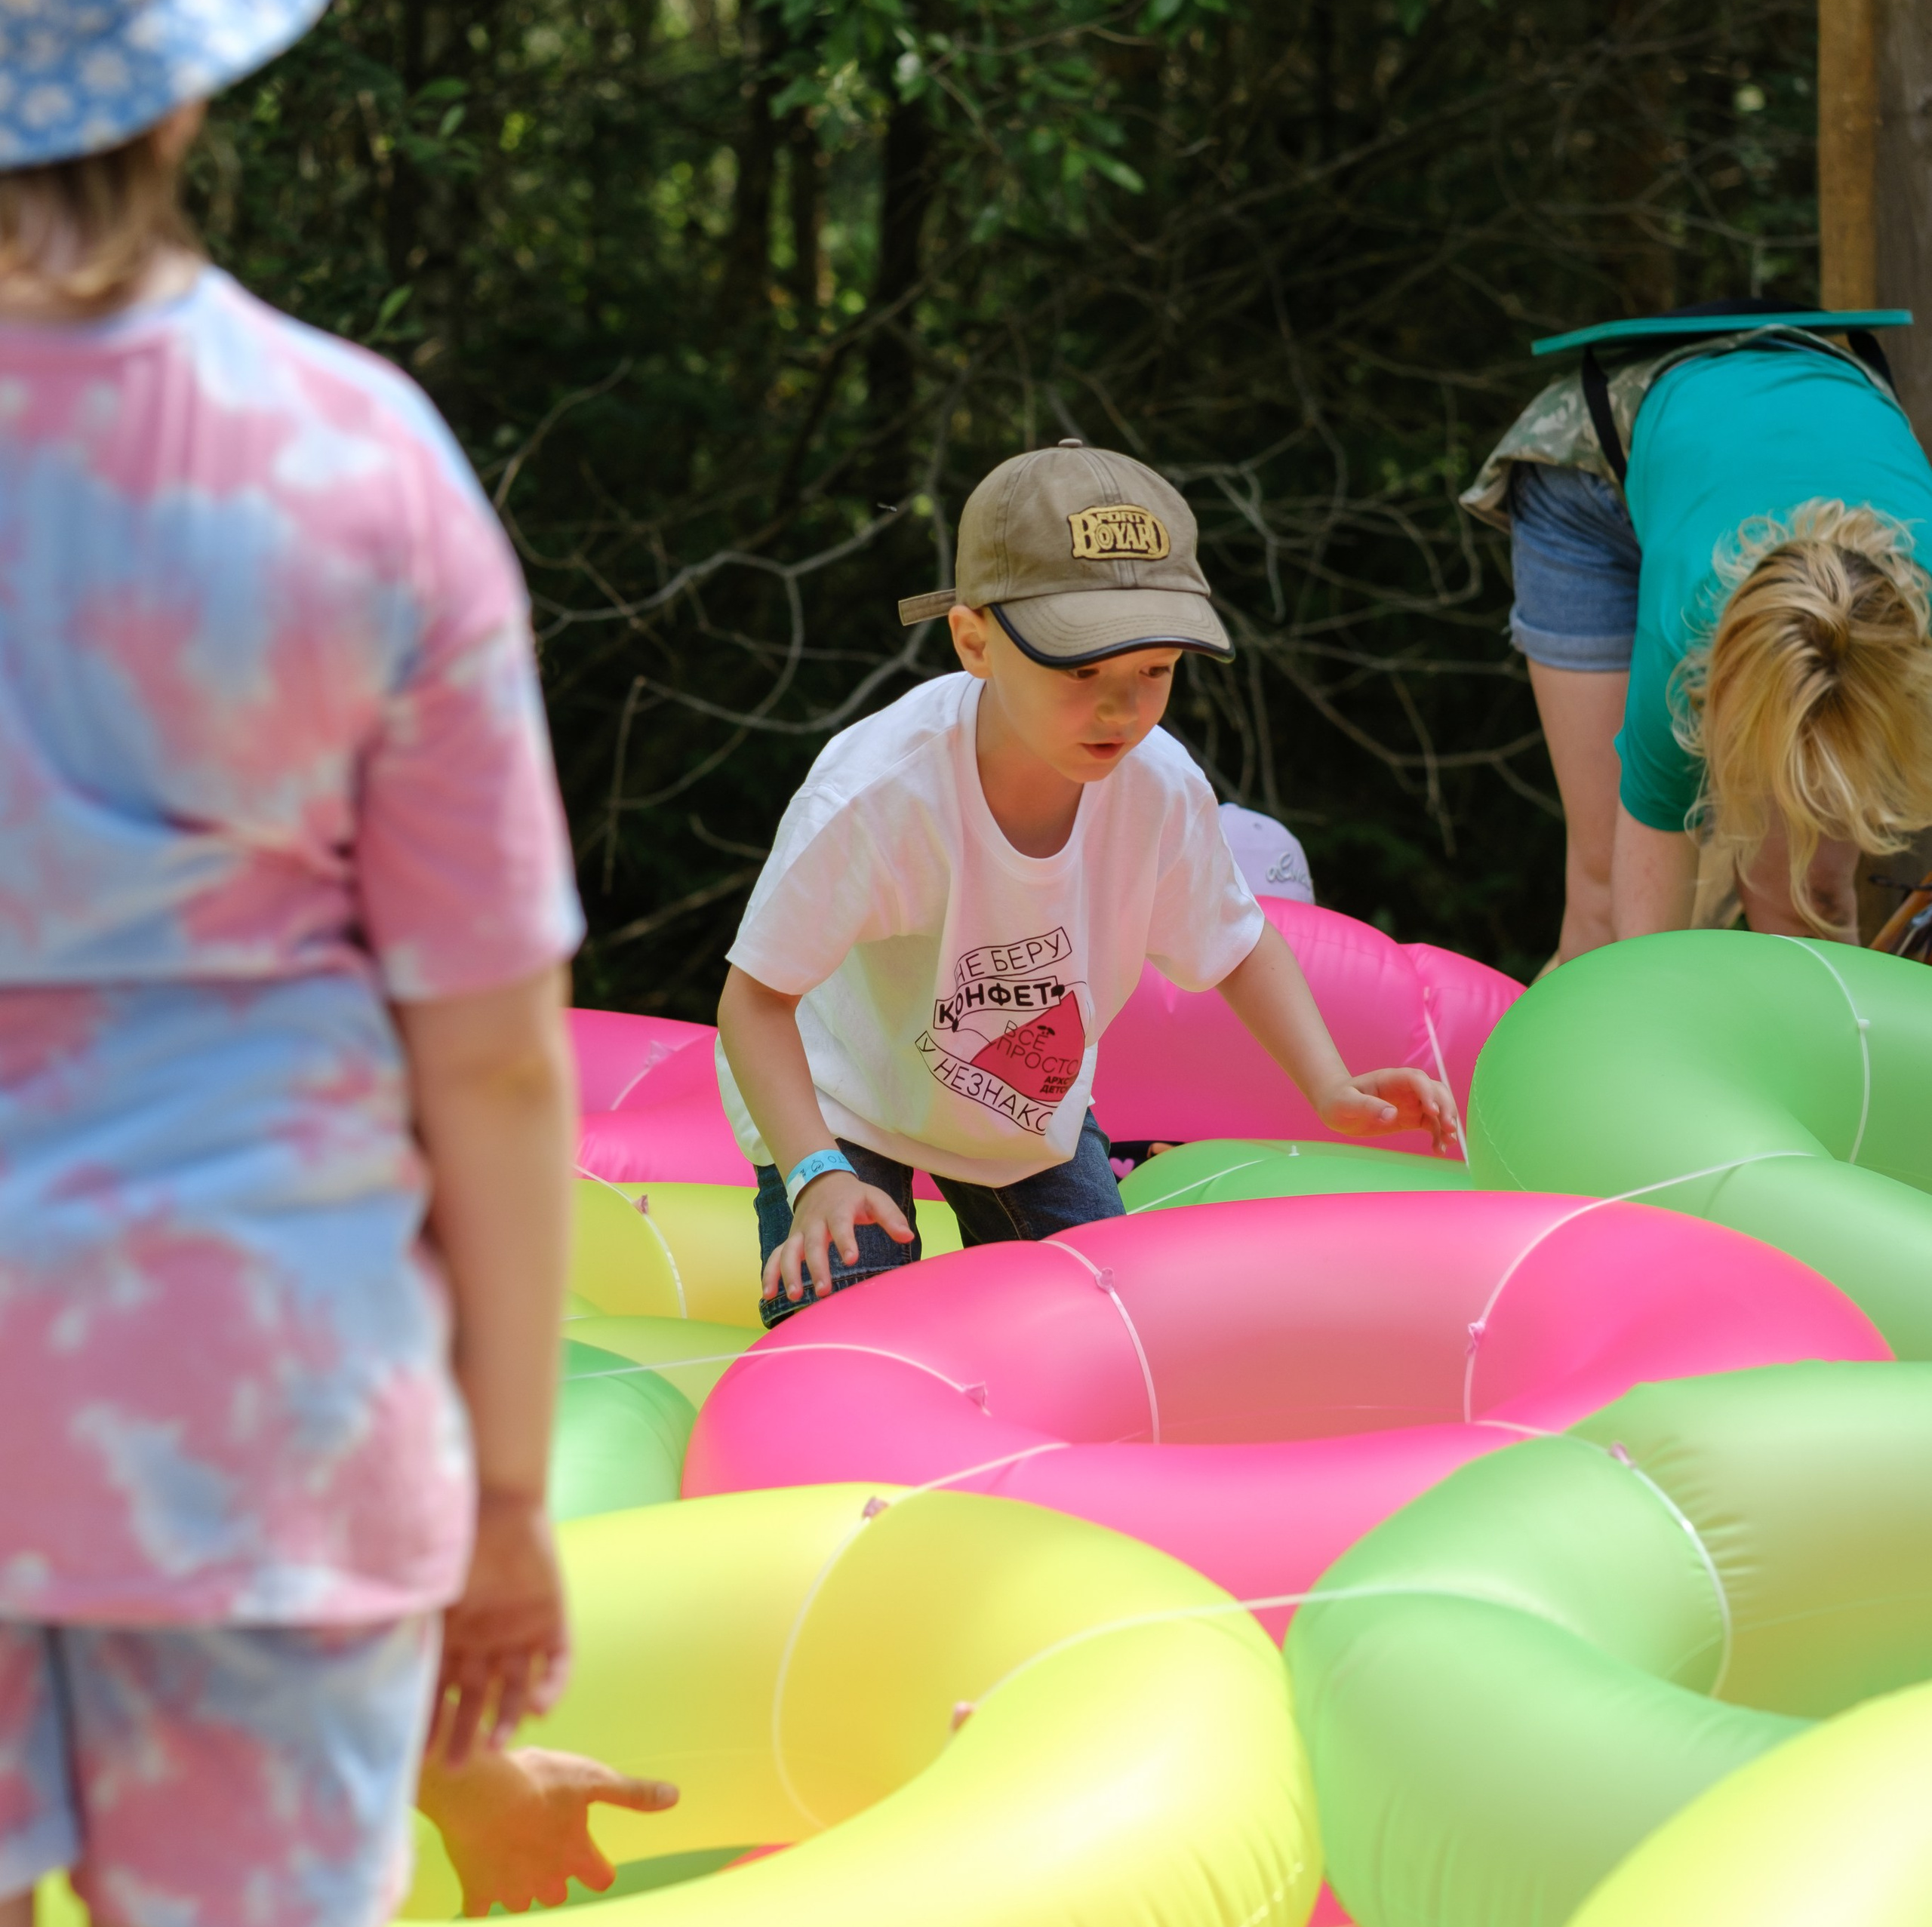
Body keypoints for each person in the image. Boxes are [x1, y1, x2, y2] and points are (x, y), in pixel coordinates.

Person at [0, 0, 660, 1927]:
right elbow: (494, 1052)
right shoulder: (354, 467)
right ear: (182, 58)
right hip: (251, 1407)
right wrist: (508, 1493)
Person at [716, 443, 1457, 1324]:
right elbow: (753, 1003)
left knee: (1107, 1329)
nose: (1122, 710)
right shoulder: (878, 795)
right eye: (1080, 672)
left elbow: (1238, 942)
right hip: (846, 1104)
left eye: (1155, 671)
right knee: (851, 1335)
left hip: (1023, 1114)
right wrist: (813, 1174)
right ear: (974, 640)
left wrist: (1330, 1085)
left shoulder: (1158, 786)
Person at [1464, 306, 1932, 957]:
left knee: (1810, 898)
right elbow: (1646, 950)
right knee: (1604, 898)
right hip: (1594, 472)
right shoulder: (1684, 638)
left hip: (1785, 410)